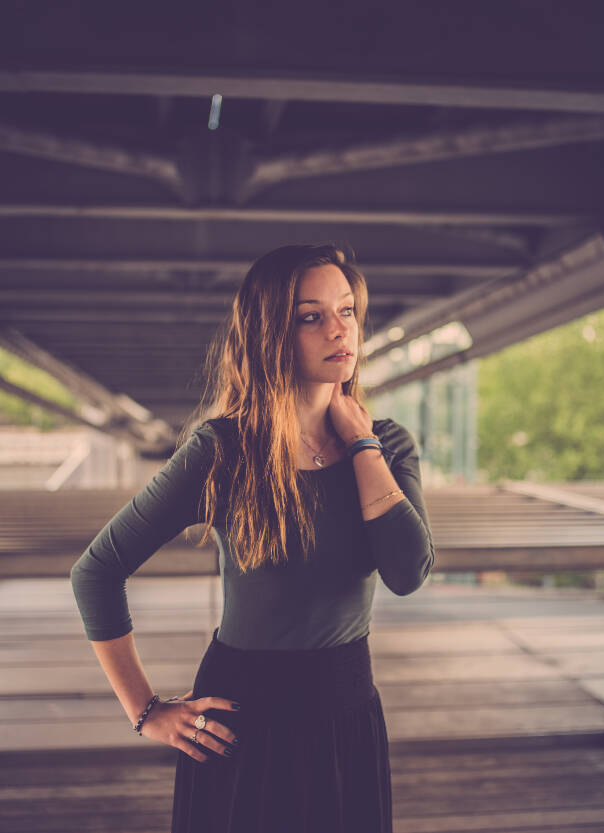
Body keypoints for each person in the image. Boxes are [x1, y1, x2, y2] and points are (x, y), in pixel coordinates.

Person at [70, 242, 436, 833]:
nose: (338, 330)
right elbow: (96, 571)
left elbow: (407, 572)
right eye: (310, 316)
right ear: (272, 333)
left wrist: (362, 445)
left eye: (346, 311)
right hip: (241, 721)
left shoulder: (389, 446)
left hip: (348, 714)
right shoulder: (223, 449)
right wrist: (146, 711)